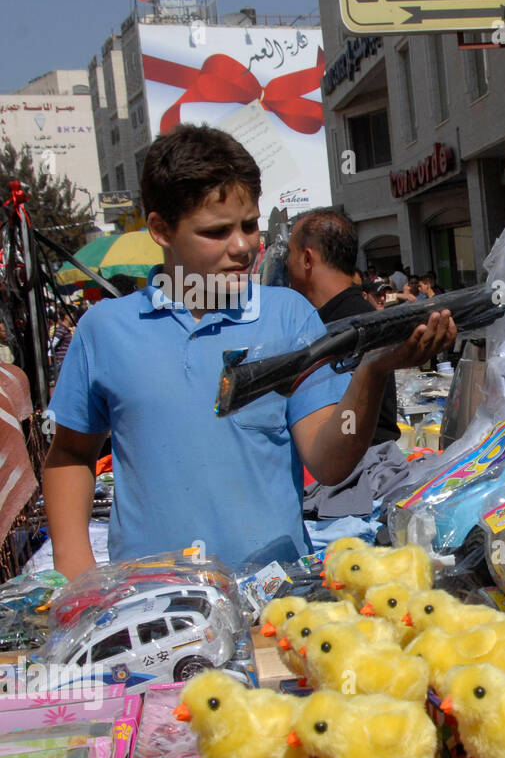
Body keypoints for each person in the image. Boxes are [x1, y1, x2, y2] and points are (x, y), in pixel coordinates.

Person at [43, 125, 456, 579]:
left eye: (249, 225)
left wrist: (373, 373)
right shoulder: (104, 330)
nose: (242, 246)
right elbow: (70, 454)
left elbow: (330, 459)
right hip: (151, 604)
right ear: (161, 230)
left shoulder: (289, 318)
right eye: (216, 231)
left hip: (272, 599)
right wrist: (76, 571)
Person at [286, 208, 400, 448]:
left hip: (355, 470)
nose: (286, 263)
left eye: (289, 253)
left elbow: (359, 423)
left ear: (307, 259)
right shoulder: (327, 319)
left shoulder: (352, 326)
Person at [49, 306, 76, 380]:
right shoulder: (61, 329)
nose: (74, 317)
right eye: (73, 314)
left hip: (65, 363)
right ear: (66, 316)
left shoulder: (66, 329)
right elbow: (51, 345)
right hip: (61, 363)